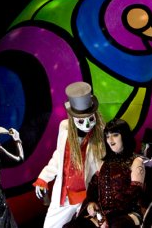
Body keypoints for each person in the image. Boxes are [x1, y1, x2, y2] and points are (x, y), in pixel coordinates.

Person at [33, 81, 106, 227]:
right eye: (81, 120)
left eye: (90, 119)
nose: (87, 125)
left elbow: (102, 165)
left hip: (87, 196)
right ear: (72, 118)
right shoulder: (65, 128)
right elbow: (59, 157)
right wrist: (44, 177)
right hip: (65, 194)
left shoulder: (99, 134)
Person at [63, 118, 145, 228]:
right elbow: (93, 186)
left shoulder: (136, 162)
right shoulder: (105, 163)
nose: (110, 139)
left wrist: (106, 217)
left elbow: (132, 195)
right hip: (102, 213)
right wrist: (91, 203)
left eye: (115, 135)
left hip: (127, 213)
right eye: (107, 136)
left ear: (124, 136)